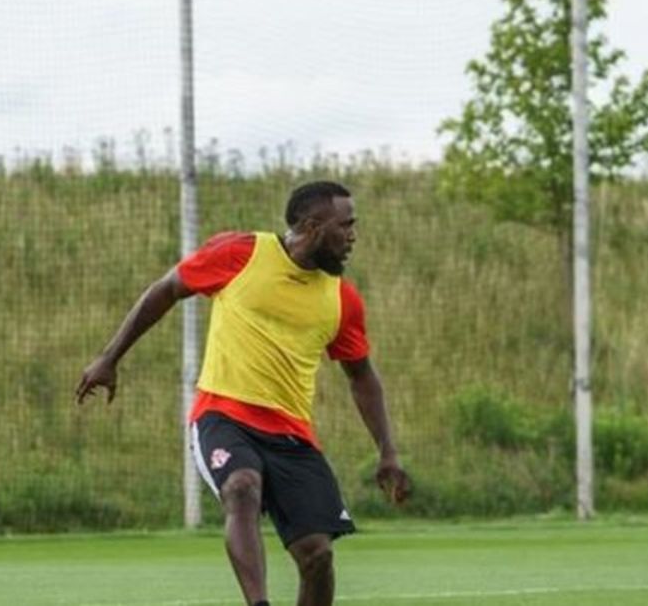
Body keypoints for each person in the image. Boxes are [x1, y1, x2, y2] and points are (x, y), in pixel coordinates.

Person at [76, 180, 411, 606]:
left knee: (318, 556)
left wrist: (388, 451)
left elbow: (361, 376)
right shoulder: (241, 254)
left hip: (292, 436)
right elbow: (166, 289)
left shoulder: (343, 300)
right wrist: (109, 358)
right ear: (311, 225)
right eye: (345, 225)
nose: (353, 236)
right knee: (241, 487)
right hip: (223, 415)